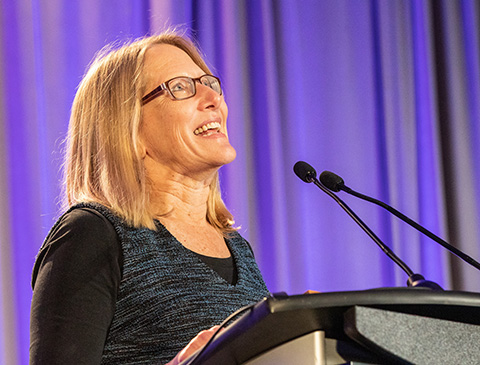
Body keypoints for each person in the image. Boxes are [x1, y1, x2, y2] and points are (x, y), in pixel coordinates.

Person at [29, 30, 270, 364]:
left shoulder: (238, 249)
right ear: (127, 129)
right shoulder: (93, 234)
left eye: (209, 83)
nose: (213, 99)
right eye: (181, 87)